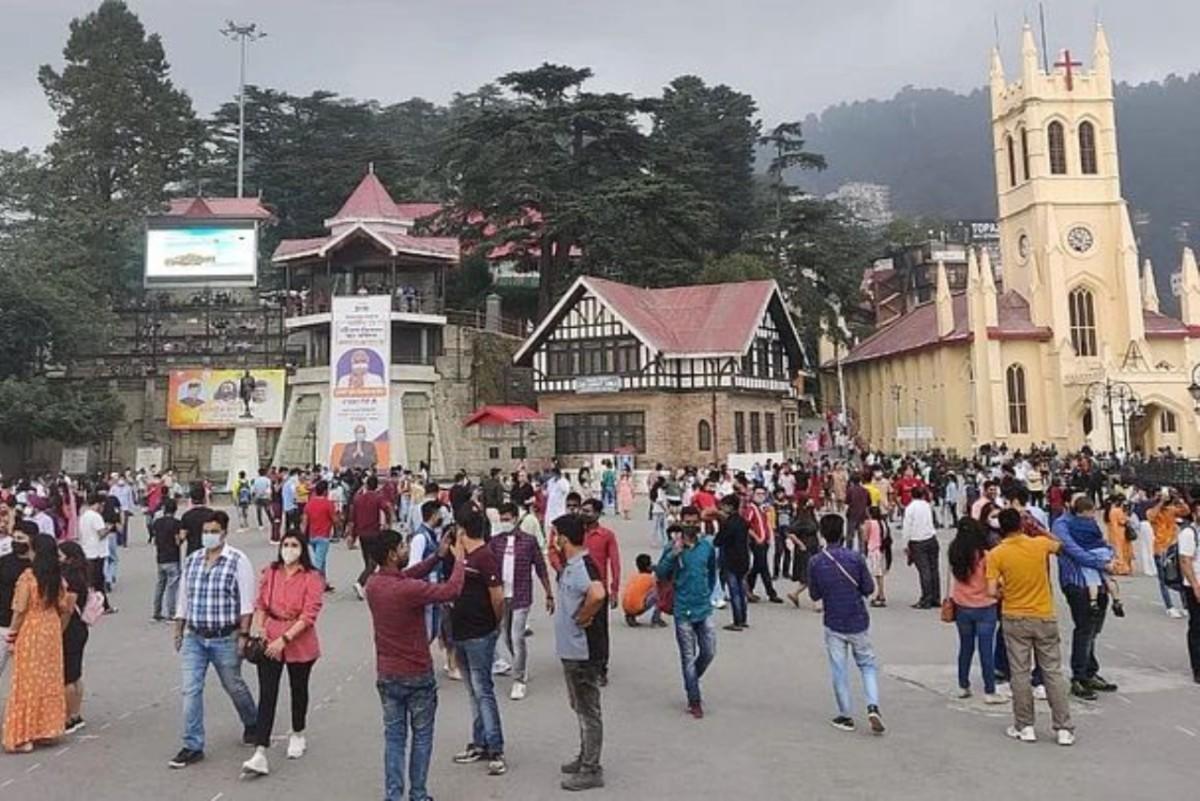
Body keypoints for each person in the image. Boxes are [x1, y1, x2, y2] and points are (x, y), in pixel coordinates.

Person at [366, 527, 465, 801]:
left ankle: (393, 795)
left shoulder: (374, 585)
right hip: (417, 673)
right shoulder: (408, 590)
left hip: (387, 674)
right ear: (391, 554)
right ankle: (418, 794)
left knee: (394, 738)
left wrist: (437, 557)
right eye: (402, 547)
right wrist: (459, 559)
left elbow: (407, 574)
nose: (406, 550)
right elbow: (451, 590)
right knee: (421, 737)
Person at [169, 511, 258, 769]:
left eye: (214, 531)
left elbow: (246, 603)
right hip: (195, 637)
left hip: (225, 637)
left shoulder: (237, 561)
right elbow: (184, 597)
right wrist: (178, 628)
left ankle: (253, 722)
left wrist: (243, 635)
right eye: (205, 531)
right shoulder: (193, 560)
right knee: (190, 690)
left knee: (233, 685)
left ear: (224, 533)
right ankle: (192, 744)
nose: (209, 536)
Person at [986, 508, 1074, 745]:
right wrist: (1040, 529)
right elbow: (1062, 546)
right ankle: (1063, 728)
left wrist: (1005, 591)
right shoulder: (1039, 545)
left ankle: (1025, 726)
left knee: (1020, 673)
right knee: (1052, 672)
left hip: (1015, 616)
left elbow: (991, 591)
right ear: (1022, 525)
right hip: (1044, 614)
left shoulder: (996, 554)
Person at [241, 533, 326, 777]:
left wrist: (285, 639)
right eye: (285, 545)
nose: (289, 549)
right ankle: (260, 750)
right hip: (270, 635)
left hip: (299, 639)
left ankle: (298, 732)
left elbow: (309, 615)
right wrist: (260, 627)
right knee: (267, 693)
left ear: (302, 549)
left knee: (298, 688)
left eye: (294, 545)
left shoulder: (312, 577)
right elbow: (261, 604)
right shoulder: (271, 572)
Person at [807, 515, 884, 735]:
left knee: (839, 669)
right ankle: (872, 706)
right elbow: (869, 588)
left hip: (833, 621)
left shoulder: (816, 562)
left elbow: (814, 594)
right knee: (867, 665)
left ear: (822, 534)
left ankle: (845, 715)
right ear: (842, 533)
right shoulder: (856, 558)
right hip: (857, 619)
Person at [551, 514, 608, 791]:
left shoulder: (583, 566)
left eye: (555, 535)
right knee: (579, 706)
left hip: (582, 651)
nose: (553, 540)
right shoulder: (570, 566)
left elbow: (598, 593)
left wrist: (584, 616)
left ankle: (591, 769)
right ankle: (585, 756)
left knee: (588, 710)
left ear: (564, 538)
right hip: (571, 650)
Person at [3, 534, 74, 753]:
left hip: (32, 628)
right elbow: (65, 607)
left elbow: (20, 610)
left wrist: (12, 634)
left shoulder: (28, 578)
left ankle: (24, 734)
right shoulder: (57, 578)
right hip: (50, 627)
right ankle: (45, 728)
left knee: (26, 680)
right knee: (48, 679)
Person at [450, 508, 508, 777]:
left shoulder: (485, 557)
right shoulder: (464, 557)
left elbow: (497, 596)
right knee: (473, 691)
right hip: (461, 632)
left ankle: (495, 747)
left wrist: (495, 623)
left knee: (483, 689)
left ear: (463, 530)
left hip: (479, 633)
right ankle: (480, 741)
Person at [1053, 496, 1121, 701]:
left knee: (1094, 629)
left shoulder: (1089, 522)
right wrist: (1101, 562)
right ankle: (1079, 676)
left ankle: (1090, 671)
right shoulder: (1061, 524)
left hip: (1098, 582)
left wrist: (1109, 555)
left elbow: (1101, 541)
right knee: (1084, 628)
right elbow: (1073, 550)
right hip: (1077, 581)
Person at [487, 502, 554, 700]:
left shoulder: (528, 542)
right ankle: (520, 665)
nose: (504, 523)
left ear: (516, 519)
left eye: (507, 519)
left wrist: (549, 593)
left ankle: (519, 680)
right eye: (502, 520)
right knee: (507, 636)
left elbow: (541, 568)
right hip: (502, 596)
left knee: (517, 636)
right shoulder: (495, 542)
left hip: (521, 595)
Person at [655, 521, 718, 717]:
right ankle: (694, 699)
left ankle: (691, 679)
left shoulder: (706, 547)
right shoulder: (672, 548)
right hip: (683, 609)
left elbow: (712, 572)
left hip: (703, 608)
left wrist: (707, 593)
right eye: (687, 521)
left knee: (709, 651)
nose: (690, 525)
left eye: (693, 521)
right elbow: (660, 573)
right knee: (688, 657)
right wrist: (673, 554)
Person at [948, 518, 1004, 704]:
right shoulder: (985, 556)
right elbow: (996, 580)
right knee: (986, 649)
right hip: (985, 606)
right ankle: (989, 690)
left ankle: (963, 685)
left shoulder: (954, 553)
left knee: (966, 647)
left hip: (962, 605)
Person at [59, 540, 91, 733]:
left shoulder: (70, 579)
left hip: (71, 629)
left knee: (67, 676)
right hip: (80, 627)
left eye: (60, 555)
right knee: (75, 673)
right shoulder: (82, 574)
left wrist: (59, 630)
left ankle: (69, 716)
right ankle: (76, 713)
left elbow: (68, 608)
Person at [1147, 489, 1190, 618]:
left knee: (1181, 577)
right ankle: (1169, 607)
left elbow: (1186, 511)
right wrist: (1161, 501)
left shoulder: (1171, 510)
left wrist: (1178, 499)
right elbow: (1151, 516)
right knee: (1163, 580)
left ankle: (1185, 606)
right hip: (1160, 549)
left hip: (1173, 547)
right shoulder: (1151, 511)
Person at [349, 475, 392, 600]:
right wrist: (388, 522)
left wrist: (352, 535)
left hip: (362, 533)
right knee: (373, 562)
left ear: (367, 485)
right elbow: (387, 508)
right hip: (374, 533)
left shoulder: (358, 499)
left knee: (367, 561)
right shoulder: (378, 497)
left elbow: (353, 518)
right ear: (376, 486)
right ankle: (360, 582)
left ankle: (369, 586)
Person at [713, 494, 750, 631]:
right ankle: (743, 618)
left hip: (730, 559)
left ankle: (737, 620)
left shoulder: (728, 524)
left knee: (734, 590)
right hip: (744, 557)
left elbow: (718, 540)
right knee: (741, 590)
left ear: (730, 507)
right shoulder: (743, 522)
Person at [0, 522, 33, 678]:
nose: (16, 542)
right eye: (14, 538)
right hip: (4, 623)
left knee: (28, 674)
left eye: (20, 538)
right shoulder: (4, 562)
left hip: (30, 625)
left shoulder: (38, 565)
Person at [902, 487, 940, 609]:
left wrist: (905, 544)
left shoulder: (910, 508)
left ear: (911, 495)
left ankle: (926, 599)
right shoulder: (927, 505)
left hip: (918, 540)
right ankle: (935, 597)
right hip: (931, 538)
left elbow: (907, 526)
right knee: (934, 569)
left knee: (924, 570)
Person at [77, 493, 114, 613]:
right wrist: (108, 528)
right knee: (97, 581)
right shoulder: (96, 517)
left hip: (87, 550)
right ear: (98, 504)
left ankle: (100, 605)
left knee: (92, 581)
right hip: (97, 552)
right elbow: (101, 534)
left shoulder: (83, 516)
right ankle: (102, 606)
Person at [1176, 498, 1200, 683]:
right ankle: (1197, 667)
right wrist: (1195, 586)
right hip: (1195, 585)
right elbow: (1185, 561)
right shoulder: (1189, 533)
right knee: (1197, 627)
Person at [152, 498, 185, 621]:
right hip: (172, 557)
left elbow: (155, 538)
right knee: (172, 587)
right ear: (175, 509)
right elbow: (177, 541)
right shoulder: (176, 523)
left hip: (160, 557)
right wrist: (181, 540)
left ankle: (157, 612)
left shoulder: (157, 522)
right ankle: (171, 613)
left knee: (160, 585)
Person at [301, 480, 337, 592]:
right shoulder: (328, 504)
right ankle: (310, 584)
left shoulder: (309, 504)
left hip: (312, 535)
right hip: (323, 536)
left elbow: (304, 522)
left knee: (321, 560)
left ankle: (323, 583)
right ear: (325, 491)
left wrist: (301, 535)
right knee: (318, 562)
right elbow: (335, 519)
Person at [622, 554, 664, 627]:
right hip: (638, 608)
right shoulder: (650, 578)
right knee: (660, 591)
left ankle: (630, 616)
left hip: (626, 608)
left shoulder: (634, 577)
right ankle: (656, 619)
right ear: (649, 567)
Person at [864, 506, 888, 607]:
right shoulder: (882, 523)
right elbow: (885, 535)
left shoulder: (869, 523)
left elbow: (865, 537)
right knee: (880, 573)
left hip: (873, 549)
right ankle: (880, 593)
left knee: (877, 573)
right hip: (881, 549)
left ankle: (881, 594)